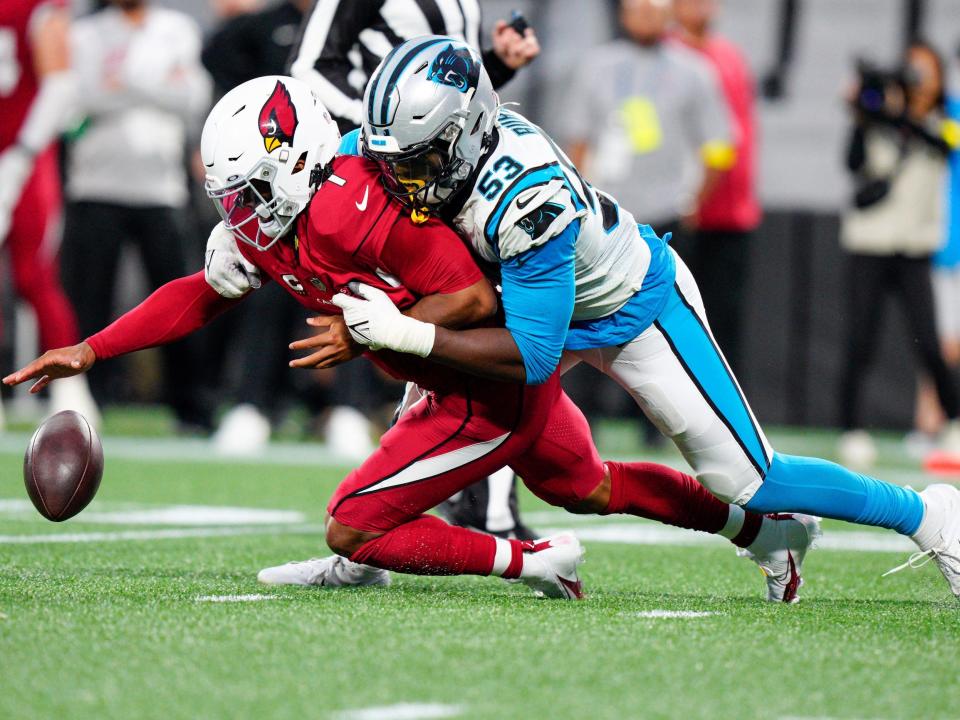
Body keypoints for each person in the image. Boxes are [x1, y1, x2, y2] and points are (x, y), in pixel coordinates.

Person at [5, 77, 817, 602]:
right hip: (441, 378)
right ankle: (762, 534)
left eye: (251, 190)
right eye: (232, 198)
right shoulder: (274, 219)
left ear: (296, 161)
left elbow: (473, 293)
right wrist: (94, 349)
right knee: (590, 484)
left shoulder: (361, 202)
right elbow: (204, 292)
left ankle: (533, 559)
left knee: (355, 521)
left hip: (483, 384)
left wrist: (384, 335)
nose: (242, 214)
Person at [334, 37, 959, 600]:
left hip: (633, 309)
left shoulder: (525, 195)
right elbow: (339, 164)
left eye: (416, 161)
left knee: (752, 478)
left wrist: (411, 333)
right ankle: (769, 539)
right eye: (392, 158)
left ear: (465, 133)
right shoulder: (413, 149)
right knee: (569, 484)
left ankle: (926, 514)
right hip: (539, 307)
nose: (399, 178)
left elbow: (533, 355)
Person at [288, 0, 541, 535]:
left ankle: (480, 505)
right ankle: (469, 506)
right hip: (383, 174)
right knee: (426, 320)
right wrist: (392, 136)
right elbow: (308, 72)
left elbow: (443, 94)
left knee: (472, 319)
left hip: (435, 168)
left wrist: (497, 61)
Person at [60, 0, 212, 432]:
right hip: (96, 184)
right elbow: (77, 98)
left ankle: (192, 407)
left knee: (180, 298)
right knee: (89, 302)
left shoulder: (177, 28)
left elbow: (193, 97)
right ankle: (82, 402)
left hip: (160, 189)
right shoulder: (86, 33)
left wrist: (121, 83)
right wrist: (156, 84)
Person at [838, 41, 960, 468]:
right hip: (870, 244)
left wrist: (898, 114)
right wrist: (863, 112)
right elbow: (852, 164)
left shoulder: (945, 122)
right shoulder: (875, 120)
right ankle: (851, 427)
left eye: (927, 73)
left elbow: (943, 144)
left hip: (914, 248)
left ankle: (953, 421)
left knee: (929, 341)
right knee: (860, 339)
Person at [0, 0, 99, 429]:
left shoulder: (35, 7)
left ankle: (70, 389)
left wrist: (20, 154)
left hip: (24, 159)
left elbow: (60, 84)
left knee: (34, 277)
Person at [563, 0, 733, 244]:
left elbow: (719, 144)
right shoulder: (596, 67)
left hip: (668, 210)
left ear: (669, 15)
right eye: (638, 11)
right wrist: (582, 199)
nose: (646, 18)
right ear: (624, 15)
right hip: (607, 210)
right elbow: (578, 137)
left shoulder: (694, 70)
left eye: (653, 11)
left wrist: (694, 202)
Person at [671, 0, 761, 373]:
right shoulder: (667, 58)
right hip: (678, 210)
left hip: (730, 212)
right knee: (669, 318)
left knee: (723, 322)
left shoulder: (731, 57)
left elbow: (739, 138)